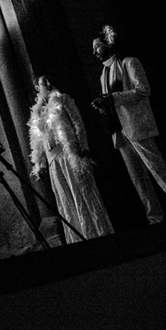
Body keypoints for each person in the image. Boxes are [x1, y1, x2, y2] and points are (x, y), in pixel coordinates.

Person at [91, 25, 166, 223]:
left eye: (97, 46)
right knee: (138, 178)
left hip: (136, 125)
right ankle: (154, 217)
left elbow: (144, 90)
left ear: (108, 44)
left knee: (158, 168)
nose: (94, 51)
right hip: (119, 131)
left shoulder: (130, 62)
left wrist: (114, 98)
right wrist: (103, 105)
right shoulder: (104, 73)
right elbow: (111, 101)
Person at [28, 75, 114, 243]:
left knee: (84, 195)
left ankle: (100, 236)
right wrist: (40, 164)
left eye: (48, 80)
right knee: (67, 201)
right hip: (54, 162)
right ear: (37, 87)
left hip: (70, 154)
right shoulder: (36, 113)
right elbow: (37, 140)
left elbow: (78, 123)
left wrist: (83, 148)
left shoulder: (63, 99)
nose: (48, 83)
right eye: (43, 82)